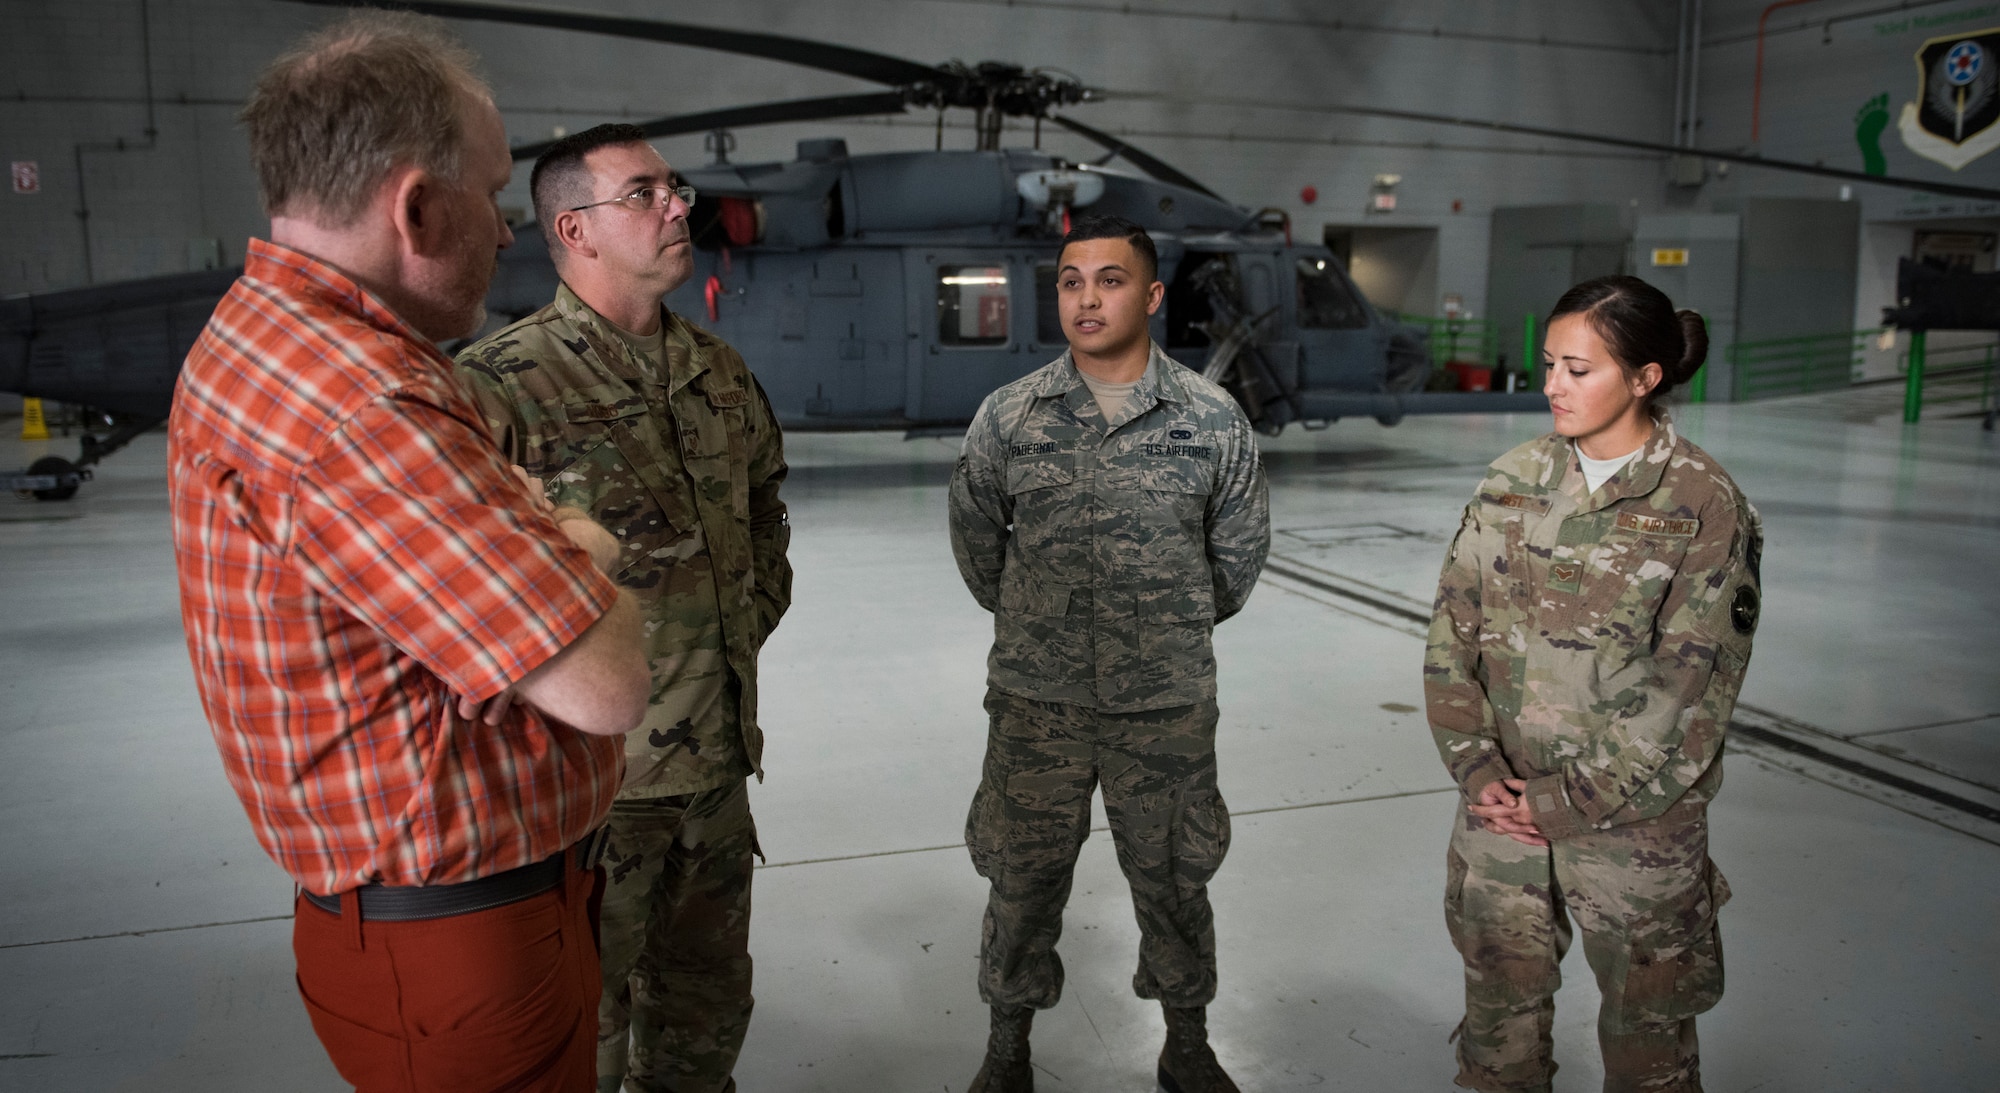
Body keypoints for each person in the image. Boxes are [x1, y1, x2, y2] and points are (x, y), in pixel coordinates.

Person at [167, 13, 652, 1093]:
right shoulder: (362, 406)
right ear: (418, 208)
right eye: (489, 192)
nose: (507, 228)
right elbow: (607, 679)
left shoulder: (269, 333)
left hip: (432, 917)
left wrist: (531, 551)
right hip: (461, 944)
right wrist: (569, 540)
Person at [456, 123, 792, 1093]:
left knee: (704, 1017)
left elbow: (764, 502)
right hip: (589, 798)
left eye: (671, 188)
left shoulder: (716, 374)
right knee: (581, 1034)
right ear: (576, 228)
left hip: (715, 772)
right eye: (643, 193)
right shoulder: (499, 385)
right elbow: (460, 597)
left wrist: (745, 612)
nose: (678, 205)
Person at [947, 214, 1270, 1093]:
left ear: (1153, 294)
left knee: (1173, 878)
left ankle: (1188, 1044)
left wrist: (1161, 632)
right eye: (1071, 281)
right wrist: (1037, 622)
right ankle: (1007, 1046)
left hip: (1162, 705)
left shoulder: (1210, 418)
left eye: (1112, 279)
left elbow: (1234, 562)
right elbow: (979, 545)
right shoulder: (1011, 416)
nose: (1088, 298)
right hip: (1036, 703)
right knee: (1021, 879)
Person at [1425, 275, 1763, 1093]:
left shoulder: (1702, 506)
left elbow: (1687, 694)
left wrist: (1555, 802)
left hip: (1634, 835)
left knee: (1649, 1051)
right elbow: (1450, 638)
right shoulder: (1511, 480)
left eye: (1579, 370)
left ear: (1646, 378)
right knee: (1497, 1035)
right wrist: (1478, 772)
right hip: (1498, 813)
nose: (1552, 386)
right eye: (1548, 365)